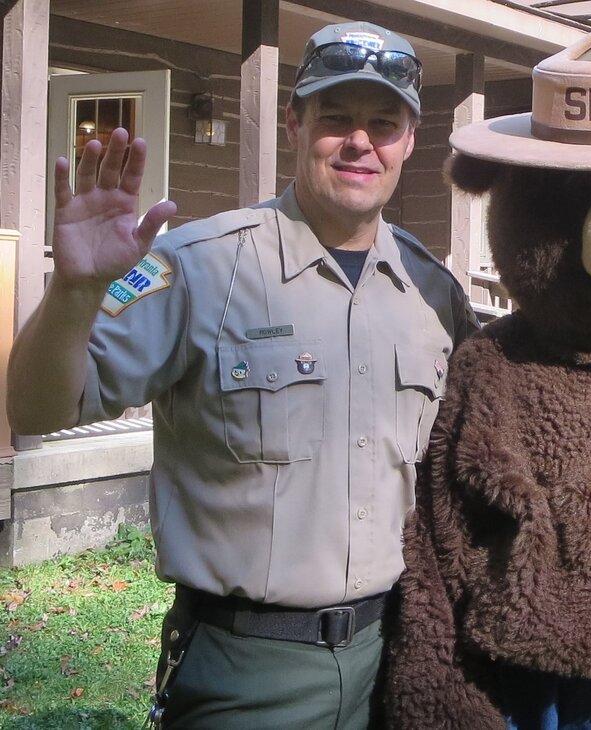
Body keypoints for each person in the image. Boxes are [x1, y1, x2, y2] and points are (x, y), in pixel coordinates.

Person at [6, 20, 476, 730]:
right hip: (250, 675)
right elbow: (39, 407)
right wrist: (73, 296)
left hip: (399, 660)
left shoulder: (432, 291)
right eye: (335, 118)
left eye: (384, 123)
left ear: (409, 141)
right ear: (294, 124)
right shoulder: (200, 268)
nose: (360, 142)